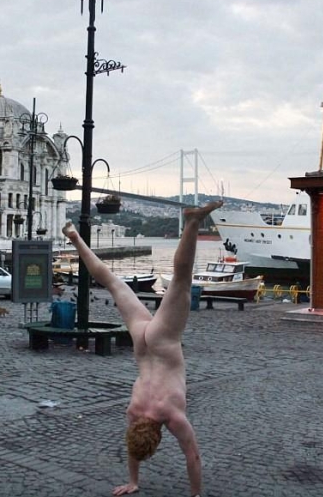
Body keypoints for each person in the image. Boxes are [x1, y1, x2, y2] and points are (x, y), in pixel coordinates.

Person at [62, 200, 222, 497]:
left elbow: (193, 456)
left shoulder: (170, 415)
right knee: (111, 282)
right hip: (141, 340)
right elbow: (132, 445)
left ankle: (193, 222)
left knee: (182, 281)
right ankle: (75, 237)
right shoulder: (133, 411)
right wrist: (132, 480)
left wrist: (197, 495)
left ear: (159, 437)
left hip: (163, 340)